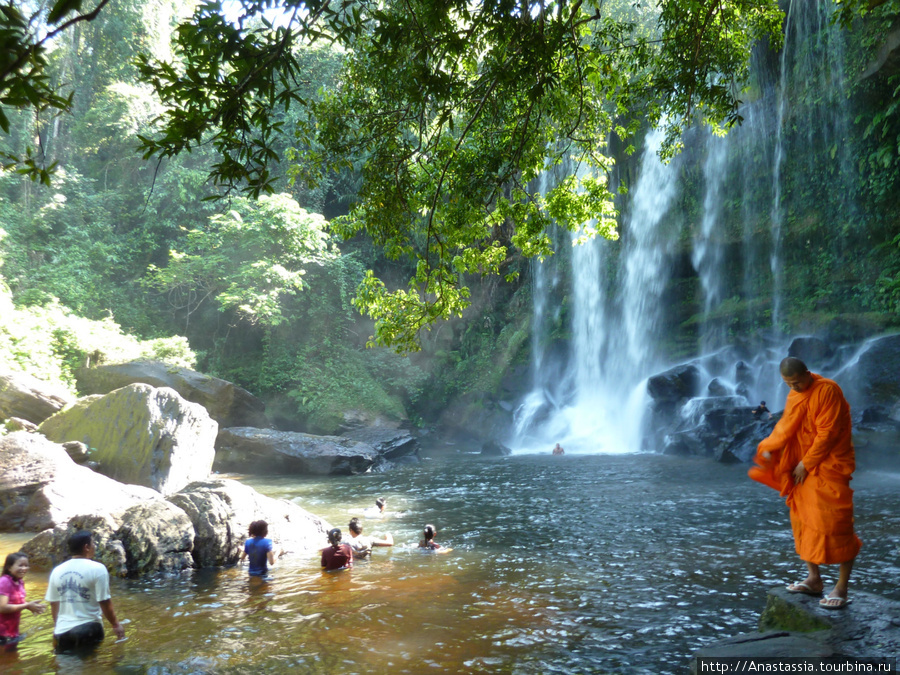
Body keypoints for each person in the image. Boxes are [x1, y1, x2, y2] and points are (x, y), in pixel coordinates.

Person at [749, 357, 861, 609]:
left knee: (838, 522)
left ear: (808, 374)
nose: (795, 388)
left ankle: (841, 588)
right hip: (801, 464)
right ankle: (814, 579)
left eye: (797, 382)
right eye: (789, 384)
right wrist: (772, 449)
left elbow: (828, 432)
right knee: (801, 519)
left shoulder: (827, 390)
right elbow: (788, 425)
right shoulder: (794, 394)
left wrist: (806, 463)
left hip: (828, 465)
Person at [45, 530, 126, 652]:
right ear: (86, 547)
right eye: (93, 543)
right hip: (89, 628)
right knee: (91, 666)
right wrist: (115, 624)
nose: (95, 546)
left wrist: (58, 626)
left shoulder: (57, 571)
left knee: (65, 669)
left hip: (62, 632)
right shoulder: (98, 569)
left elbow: (54, 603)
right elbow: (104, 601)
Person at [0, 553, 45, 650]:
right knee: (7, 662)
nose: (24, 568)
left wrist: (30, 606)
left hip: (11, 631)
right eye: (20, 565)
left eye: (26, 565)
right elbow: (2, 608)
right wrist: (26, 605)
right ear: (9, 567)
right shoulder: (4, 582)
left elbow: (17, 602)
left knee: (12, 661)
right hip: (2, 633)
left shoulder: (20, 582)